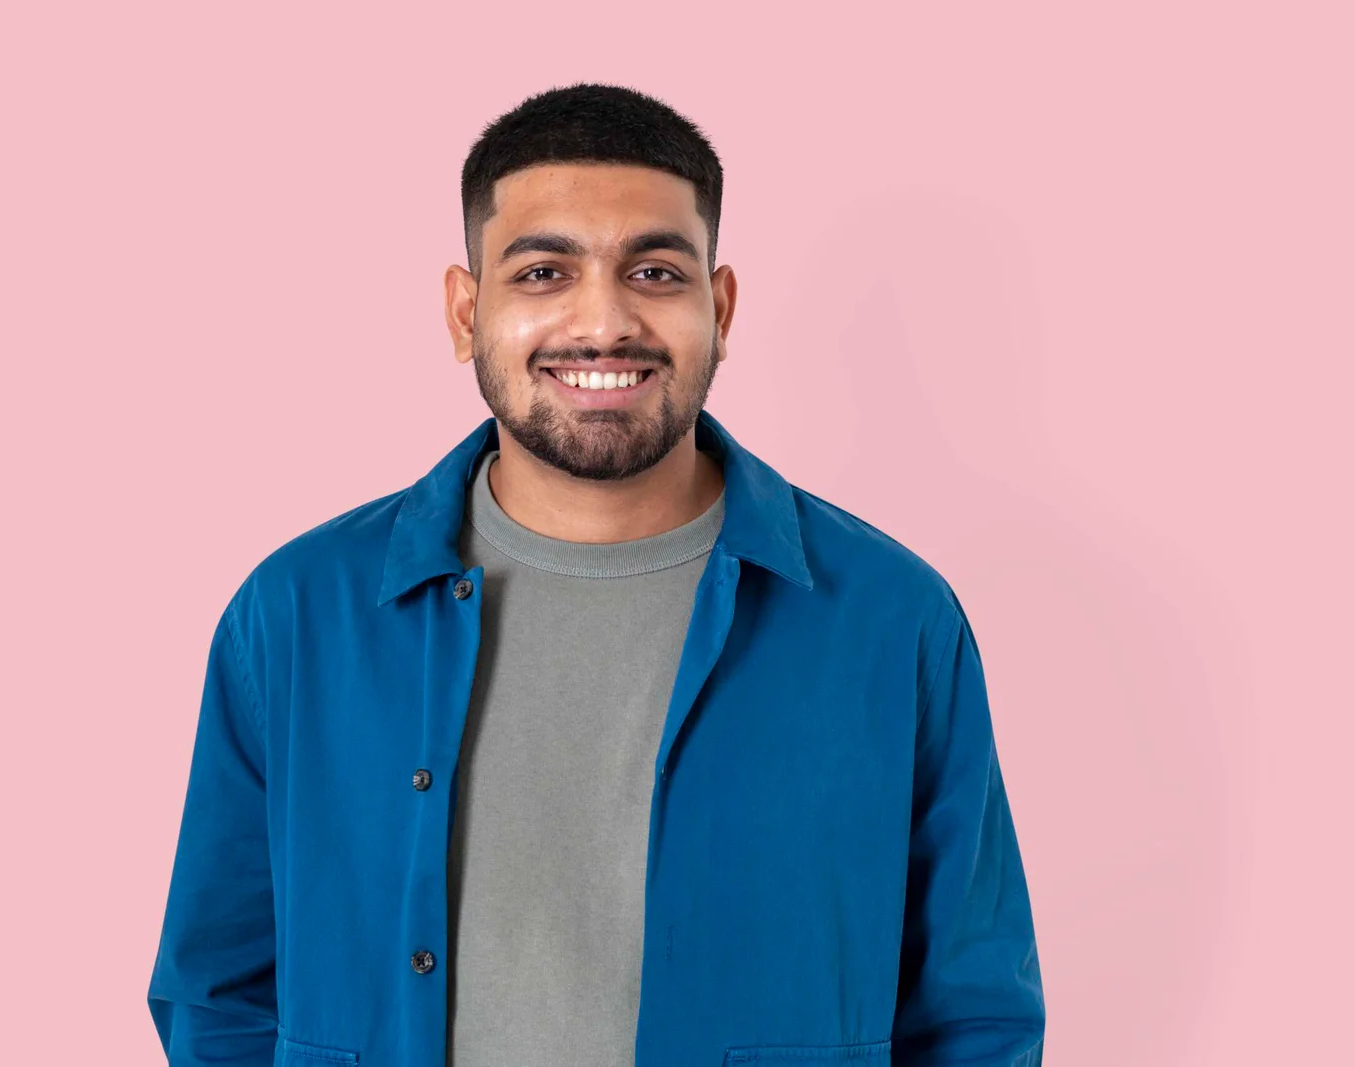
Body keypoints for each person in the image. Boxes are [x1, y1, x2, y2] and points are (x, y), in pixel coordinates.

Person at [147, 82, 1045, 1067]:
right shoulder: (296, 615)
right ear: (465, 312)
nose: (605, 322)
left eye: (655, 271)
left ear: (720, 307)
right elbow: (217, 993)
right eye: (543, 272)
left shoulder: (891, 618)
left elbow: (973, 1016)